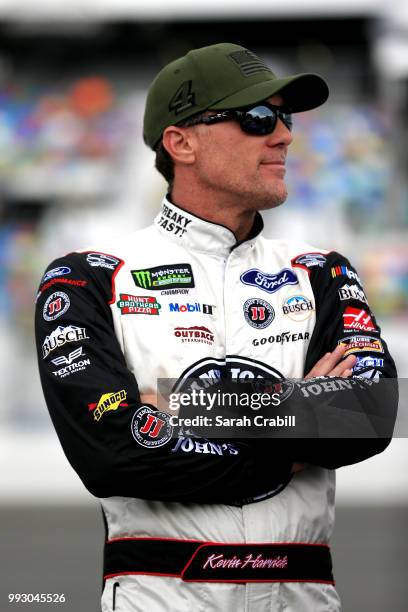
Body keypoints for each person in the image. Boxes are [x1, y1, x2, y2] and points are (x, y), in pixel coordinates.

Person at [35, 42, 397, 612]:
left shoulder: (321, 271)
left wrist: (181, 413)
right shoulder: (88, 278)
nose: (283, 135)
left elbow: (369, 416)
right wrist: (299, 415)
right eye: (257, 117)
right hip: (161, 595)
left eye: (286, 116)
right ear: (181, 142)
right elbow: (113, 454)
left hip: (301, 594)